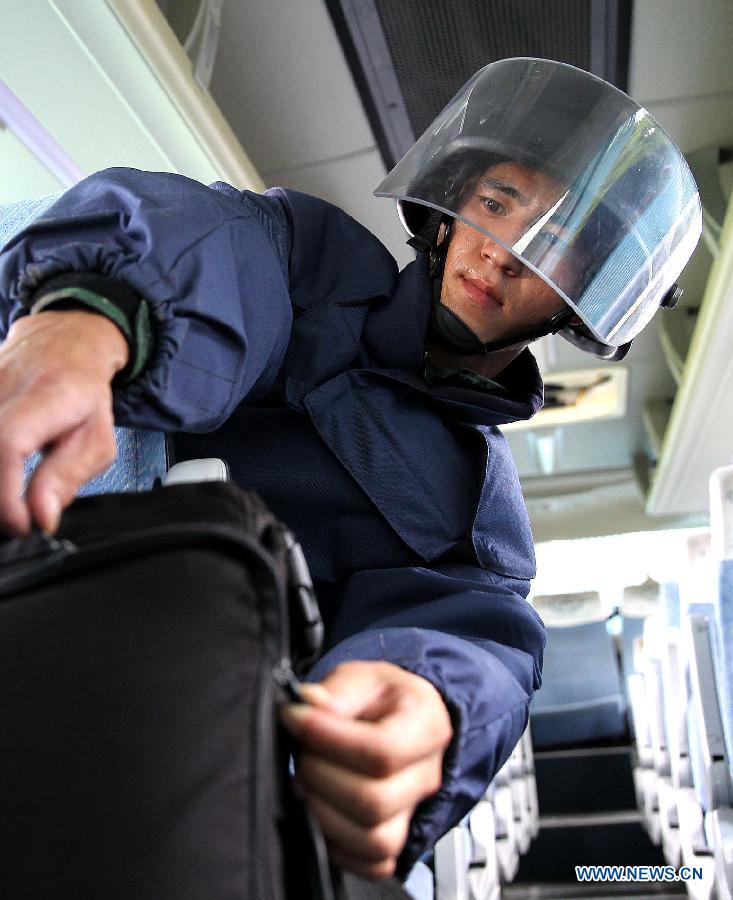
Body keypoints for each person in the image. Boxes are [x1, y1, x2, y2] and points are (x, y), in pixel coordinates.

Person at [0, 58, 700, 880]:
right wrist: (93, 317)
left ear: (584, 299)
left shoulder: (477, 516)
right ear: (448, 210)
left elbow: (472, 637)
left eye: (558, 248)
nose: (505, 252)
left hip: (118, 687)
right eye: (496, 203)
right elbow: (214, 243)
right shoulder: (311, 263)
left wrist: (421, 700)